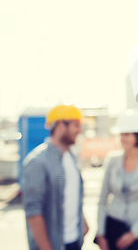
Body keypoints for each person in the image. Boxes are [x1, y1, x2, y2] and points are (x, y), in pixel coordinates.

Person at [22, 104, 88, 250]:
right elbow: (33, 211)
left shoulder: (71, 156)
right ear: (60, 126)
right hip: (54, 245)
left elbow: (71, 194)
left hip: (74, 240)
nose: (79, 130)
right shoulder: (37, 162)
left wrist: (83, 221)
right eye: (76, 125)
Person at [95, 109, 138, 250]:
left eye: (126, 134)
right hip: (114, 229)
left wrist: (134, 233)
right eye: (121, 134)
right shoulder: (112, 160)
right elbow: (102, 199)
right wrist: (100, 233)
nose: (122, 139)